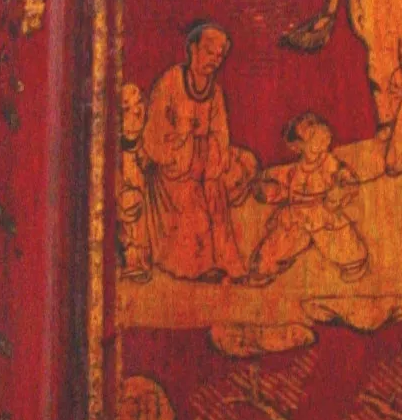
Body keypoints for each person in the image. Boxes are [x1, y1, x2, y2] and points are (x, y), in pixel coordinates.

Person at [139, 22, 256, 281]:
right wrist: (184, 153)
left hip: (202, 164)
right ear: (192, 50)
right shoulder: (171, 82)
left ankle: (227, 263)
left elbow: (220, 133)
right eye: (208, 51)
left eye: (219, 55)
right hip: (171, 170)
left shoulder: (214, 91)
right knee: (193, 200)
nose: (213, 60)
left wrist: (210, 160)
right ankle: (195, 267)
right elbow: (153, 135)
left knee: (226, 179)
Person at [247, 113, 369, 284]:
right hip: (297, 220)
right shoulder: (292, 171)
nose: (318, 137)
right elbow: (273, 184)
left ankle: (354, 264)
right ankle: (264, 269)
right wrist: (265, 191)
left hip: (324, 216)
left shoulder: (329, 162)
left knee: (347, 251)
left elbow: (348, 180)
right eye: (311, 136)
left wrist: (340, 191)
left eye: (319, 130)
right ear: (297, 146)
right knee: (268, 256)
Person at [115, 81, 151, 280]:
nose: (136, 112)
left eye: (138, 105)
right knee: (130, 201)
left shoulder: (145, 143)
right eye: (127, 109)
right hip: (125, 195)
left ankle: (141, 257)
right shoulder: (115, 153)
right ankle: (131, 258)